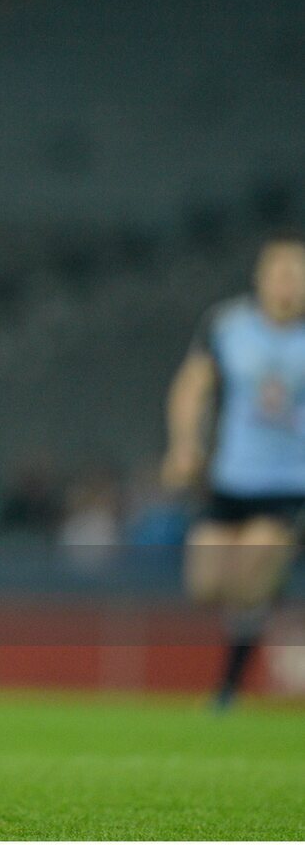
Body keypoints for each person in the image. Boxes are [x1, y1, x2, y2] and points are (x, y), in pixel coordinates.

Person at [161, 234, 305, 707]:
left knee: (249, 577)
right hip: (231, 478)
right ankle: (273, 583)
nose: (288, 284)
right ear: (260, 278)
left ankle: (228, 687)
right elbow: (191, 386)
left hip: (290, 484)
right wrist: (184, 446)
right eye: (280, 273)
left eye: (296, 275)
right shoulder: (228, 326)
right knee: (205, 587)